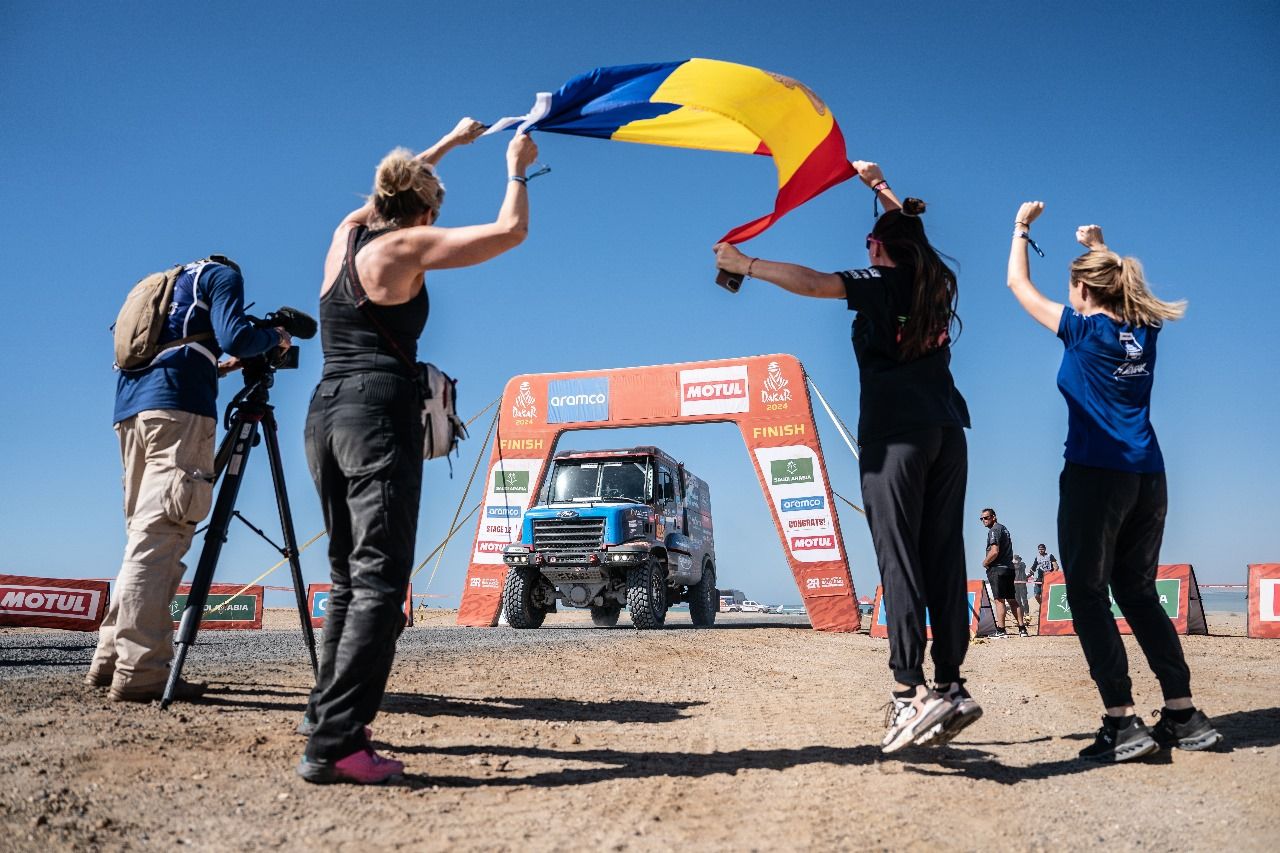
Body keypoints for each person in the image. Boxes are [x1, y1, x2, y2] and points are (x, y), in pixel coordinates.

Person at [297, 119, 539, 785]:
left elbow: (388, 191)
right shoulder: (405, 246)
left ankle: (327, 712)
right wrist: (516, 167)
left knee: (348, 574)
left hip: (323, 410)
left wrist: (447, 147)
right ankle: (336, 742)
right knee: (380, 579)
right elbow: (508, 232)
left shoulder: (347, 237)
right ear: (426, 210)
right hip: (376, 410)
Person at [714, 162, 978, 753]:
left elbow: (814, 284)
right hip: (947, 431)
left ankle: (910, 695)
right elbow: (913, 234)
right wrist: (880, 189)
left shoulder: (883, 283)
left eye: (870, 242)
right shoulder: (935, 279)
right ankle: (953, 685)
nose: (866, 245)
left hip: (896, 437)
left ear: (883, 250)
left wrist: (746, 266)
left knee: (899, 559)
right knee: (943, 556)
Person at [1006, 201, 1221, 761]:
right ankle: (1182, 713)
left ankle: (1122, 722)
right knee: (1138, 591)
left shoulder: (1079, 330)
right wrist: (1100, 248)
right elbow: (1119, 289)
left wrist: (1021, 227)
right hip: (1148, 476)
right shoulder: (1146, 329)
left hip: (1096, 476)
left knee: (1086, 593)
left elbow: (1015, 283)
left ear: (1082, 289)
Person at [88, 259, 291, 702]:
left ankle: (109, 660)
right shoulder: (222, 276)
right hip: (180, 410)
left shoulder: (165, 285)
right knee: (163, 535)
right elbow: (237, 334)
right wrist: (273, 338)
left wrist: (228, 365)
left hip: (132, 412)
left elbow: (186, 348)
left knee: (143, 537)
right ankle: (141, 671)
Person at [981, 509, 1027, 637]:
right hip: (1009, 568)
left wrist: (985, 562)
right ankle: (1022, 629)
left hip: (997, 569)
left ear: (994, 517)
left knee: (999, 600)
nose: (984, 521)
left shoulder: (994, 530)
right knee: (1012, 600)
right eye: (982, 518)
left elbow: (994, 551)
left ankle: (1001, 631)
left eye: (986, 517)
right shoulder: (1004, 529)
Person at [1012, 553, 1030, 623]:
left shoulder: (1022, 564)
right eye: (1015, 559)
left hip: (1022, 584)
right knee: (1018, 600)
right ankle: (1021, 614)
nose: (1016, 560)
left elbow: (1019, 567)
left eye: (1017, 559)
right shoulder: (1012, 566)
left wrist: (1015, 562)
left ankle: (1027, 613)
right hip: (1015, 584)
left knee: (1024, 600)